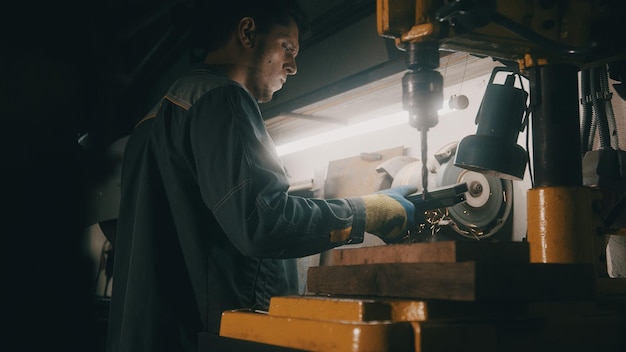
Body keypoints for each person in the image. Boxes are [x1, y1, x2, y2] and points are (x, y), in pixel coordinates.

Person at [105, 1, 417, 351]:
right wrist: (366, 212)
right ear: (247, 32)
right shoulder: (222, 99)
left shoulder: (157, 117)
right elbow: (260, 222)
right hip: (205, 338)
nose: (294, 66)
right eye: (287, 48)